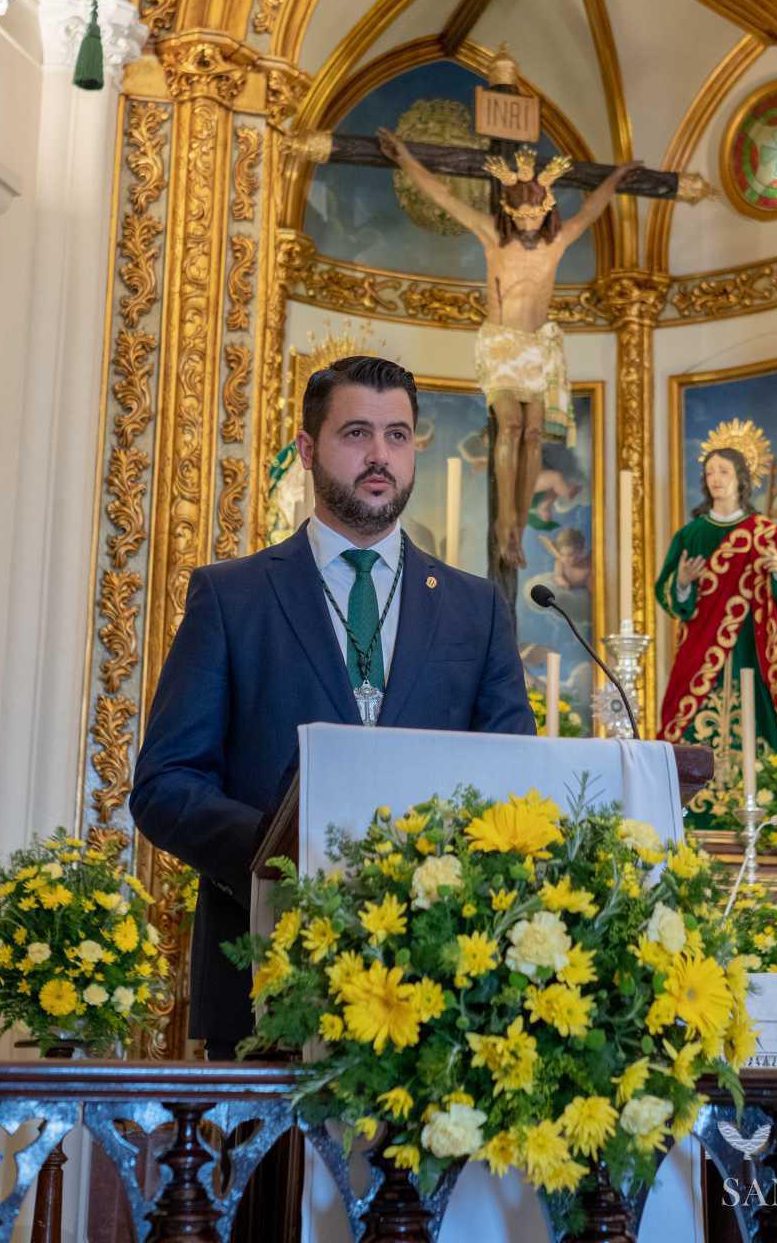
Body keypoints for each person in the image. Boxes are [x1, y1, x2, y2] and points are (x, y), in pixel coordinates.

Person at [130, 355, 534, 1054]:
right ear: (310, 448)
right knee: (272, 1169)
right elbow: (165, 786)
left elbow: (516, 785)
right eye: (356, 433)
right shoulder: (232, 597)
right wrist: (286, 856)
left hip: (443, 995)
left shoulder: (478, 609)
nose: (380, 456)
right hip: (267, 981)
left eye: (398, 436)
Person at [378, 126, 639, 568]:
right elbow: (444, 198)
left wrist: (616, 178)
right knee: (512, 427)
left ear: (547, 208)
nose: (528, 222)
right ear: (508, 210)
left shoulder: (555, 244)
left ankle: (519, 520)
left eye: (535, 214)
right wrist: (404, 158)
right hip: (501, 344)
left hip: (537, 347)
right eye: (520, 215)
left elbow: (593, 209)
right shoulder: (492, 237)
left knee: (535, 432)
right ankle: (505, 525)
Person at [655, 428, 777, 759]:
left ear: (741, 478)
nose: (715, 478)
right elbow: (667, 592)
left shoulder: (764, 532)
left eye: (724, 471)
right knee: (687, 729)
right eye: (710, 471)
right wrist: (683, 583)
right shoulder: (690, 535)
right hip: (699, 649)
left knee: (756, 734)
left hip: (751, 649)